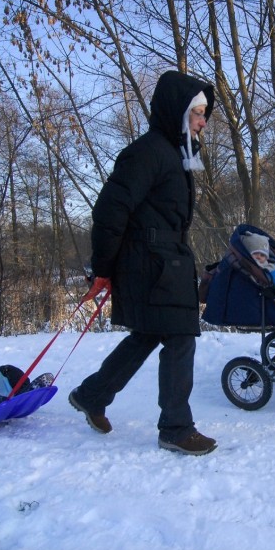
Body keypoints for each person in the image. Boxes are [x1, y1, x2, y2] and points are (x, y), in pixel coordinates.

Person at [68, 70, 217, 456]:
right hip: (151, 265)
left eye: (205, 113)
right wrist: (104, 267)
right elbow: (110, 210)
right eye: (199, 112)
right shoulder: (148, 151)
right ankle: (176, 427)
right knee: (181, 337)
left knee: (150, 334)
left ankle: (92, 394)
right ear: (177, 111)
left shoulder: (175, 154)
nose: (204, 121)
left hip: (166, 263)